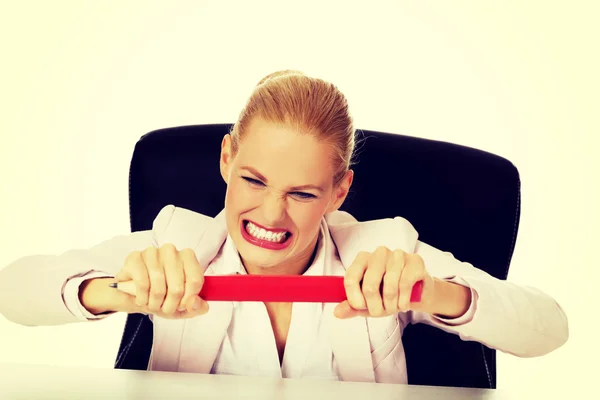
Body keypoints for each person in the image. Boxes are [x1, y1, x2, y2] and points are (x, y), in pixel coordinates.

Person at [0, 70, 568, 383]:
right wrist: (115, 291)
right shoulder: (177, 240)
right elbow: (13, 291)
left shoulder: (384, 249)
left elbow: (550, 327)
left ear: (339, 192)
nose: (271, 216)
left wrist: (434, 292)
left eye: (301, 193)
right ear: (226, 159)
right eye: (252, 181)